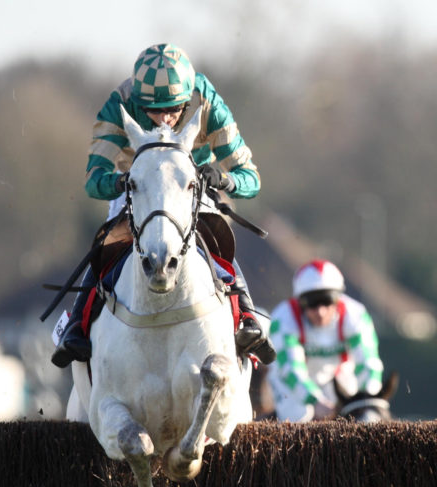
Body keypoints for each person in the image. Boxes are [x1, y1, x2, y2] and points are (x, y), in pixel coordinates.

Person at [51, 43, 275, 368]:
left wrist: (225, 180)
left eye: (173, 109)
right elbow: (93, 180)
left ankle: (247, 319)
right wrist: (119, 182)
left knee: (216, 237)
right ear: (138, 102)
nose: (164, 120)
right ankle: (77, 326)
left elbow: (250, 179)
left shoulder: (206, 99)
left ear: (188, 98)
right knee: (107, 241)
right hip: (137, 186)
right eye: (154, 111)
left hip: (188, 187)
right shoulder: (120, 103)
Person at [266, 260, 384, 422]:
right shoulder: (283, 318)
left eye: (327, 300)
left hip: (338, 377)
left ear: (338, 298)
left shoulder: (356, 315)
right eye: (312, 302)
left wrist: (369, 397)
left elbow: (368, 363)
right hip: (290, 382)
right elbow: (290, 369)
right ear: (300, 302)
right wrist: (314, 400)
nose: (320, 312)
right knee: (297, 418)